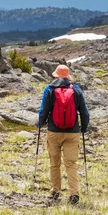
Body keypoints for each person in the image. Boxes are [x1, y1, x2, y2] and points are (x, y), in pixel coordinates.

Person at [38, 64, 90, 204]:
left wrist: (40, 123)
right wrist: (84, 128)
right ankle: (73, 194)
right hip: (72, 133)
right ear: (68, 77)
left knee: (55, 163)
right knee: (71, 164)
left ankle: (55, 191)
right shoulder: (77, 90)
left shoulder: (49, 90)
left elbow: (44, 111)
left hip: (54, 132)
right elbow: (84, 112)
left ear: (56, 75)